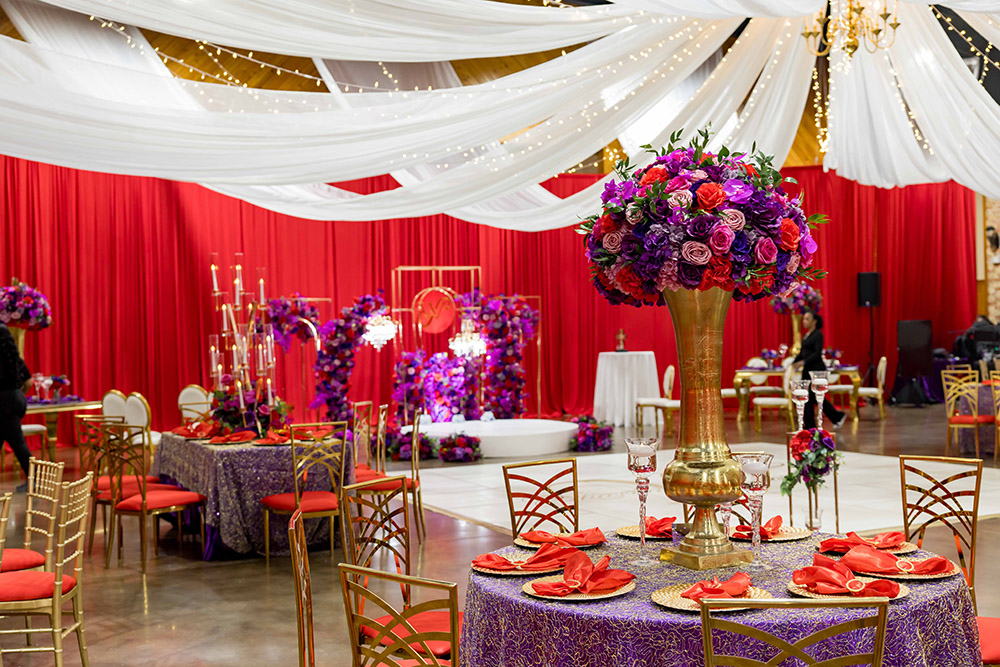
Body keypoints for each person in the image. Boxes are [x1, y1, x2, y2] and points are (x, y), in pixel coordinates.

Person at [792, 310, 846, 431]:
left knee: (814, 396)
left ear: (814, 321)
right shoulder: (806, 335)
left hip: (816, 370)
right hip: (807, 370)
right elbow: (802, 353)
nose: (804, 322)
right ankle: (812, 425)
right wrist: (794, 361)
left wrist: (803, 362)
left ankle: (815, 424)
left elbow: (817, 353)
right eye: (804, 319)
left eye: (807, 319)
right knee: (809, 398)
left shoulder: (818, 335)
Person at [0, 323, 33, 488]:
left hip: (2, 403)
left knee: (19, 443)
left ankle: (34, 480)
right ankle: (33, 480)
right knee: (17, 442)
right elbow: (29, 381)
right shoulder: (14, 358)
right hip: (15, 400)